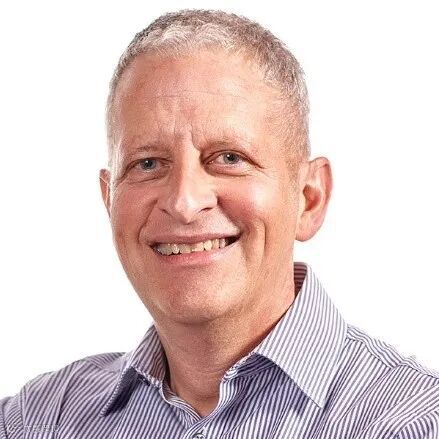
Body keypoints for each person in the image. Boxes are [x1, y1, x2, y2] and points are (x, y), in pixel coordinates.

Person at [1, 9, 438, 439]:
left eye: (229, 158)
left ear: (309, 199)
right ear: (109, 200)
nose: (184, 203)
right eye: (148, 163)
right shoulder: (38, 420)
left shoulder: (411, 424)